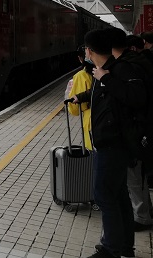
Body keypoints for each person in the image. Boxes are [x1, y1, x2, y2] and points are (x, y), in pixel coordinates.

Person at [73, 29, 148, 258]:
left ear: (90, 50)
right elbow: (107, 93)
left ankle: (110, 249)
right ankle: (125, 246)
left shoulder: (119, 70)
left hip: (113, 143)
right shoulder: (104, 71)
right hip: (110, 143)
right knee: (118, 194)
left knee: (104, 194)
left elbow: (136, 97)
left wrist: (105, 78)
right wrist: (83, 96)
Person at [107, 29, 153, 232]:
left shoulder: (128, 66)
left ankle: (142, 216)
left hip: (135, 129)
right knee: (136, 175)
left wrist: (107, 79)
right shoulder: (138, 61)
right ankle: (144, 212)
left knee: (135, 175)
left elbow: (134, 98)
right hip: (139, 126)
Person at [67, 45, 94, 150]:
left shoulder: (81, 75)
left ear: (80, 58)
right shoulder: (104, 70)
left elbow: (75, 110)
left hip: (91, 121)